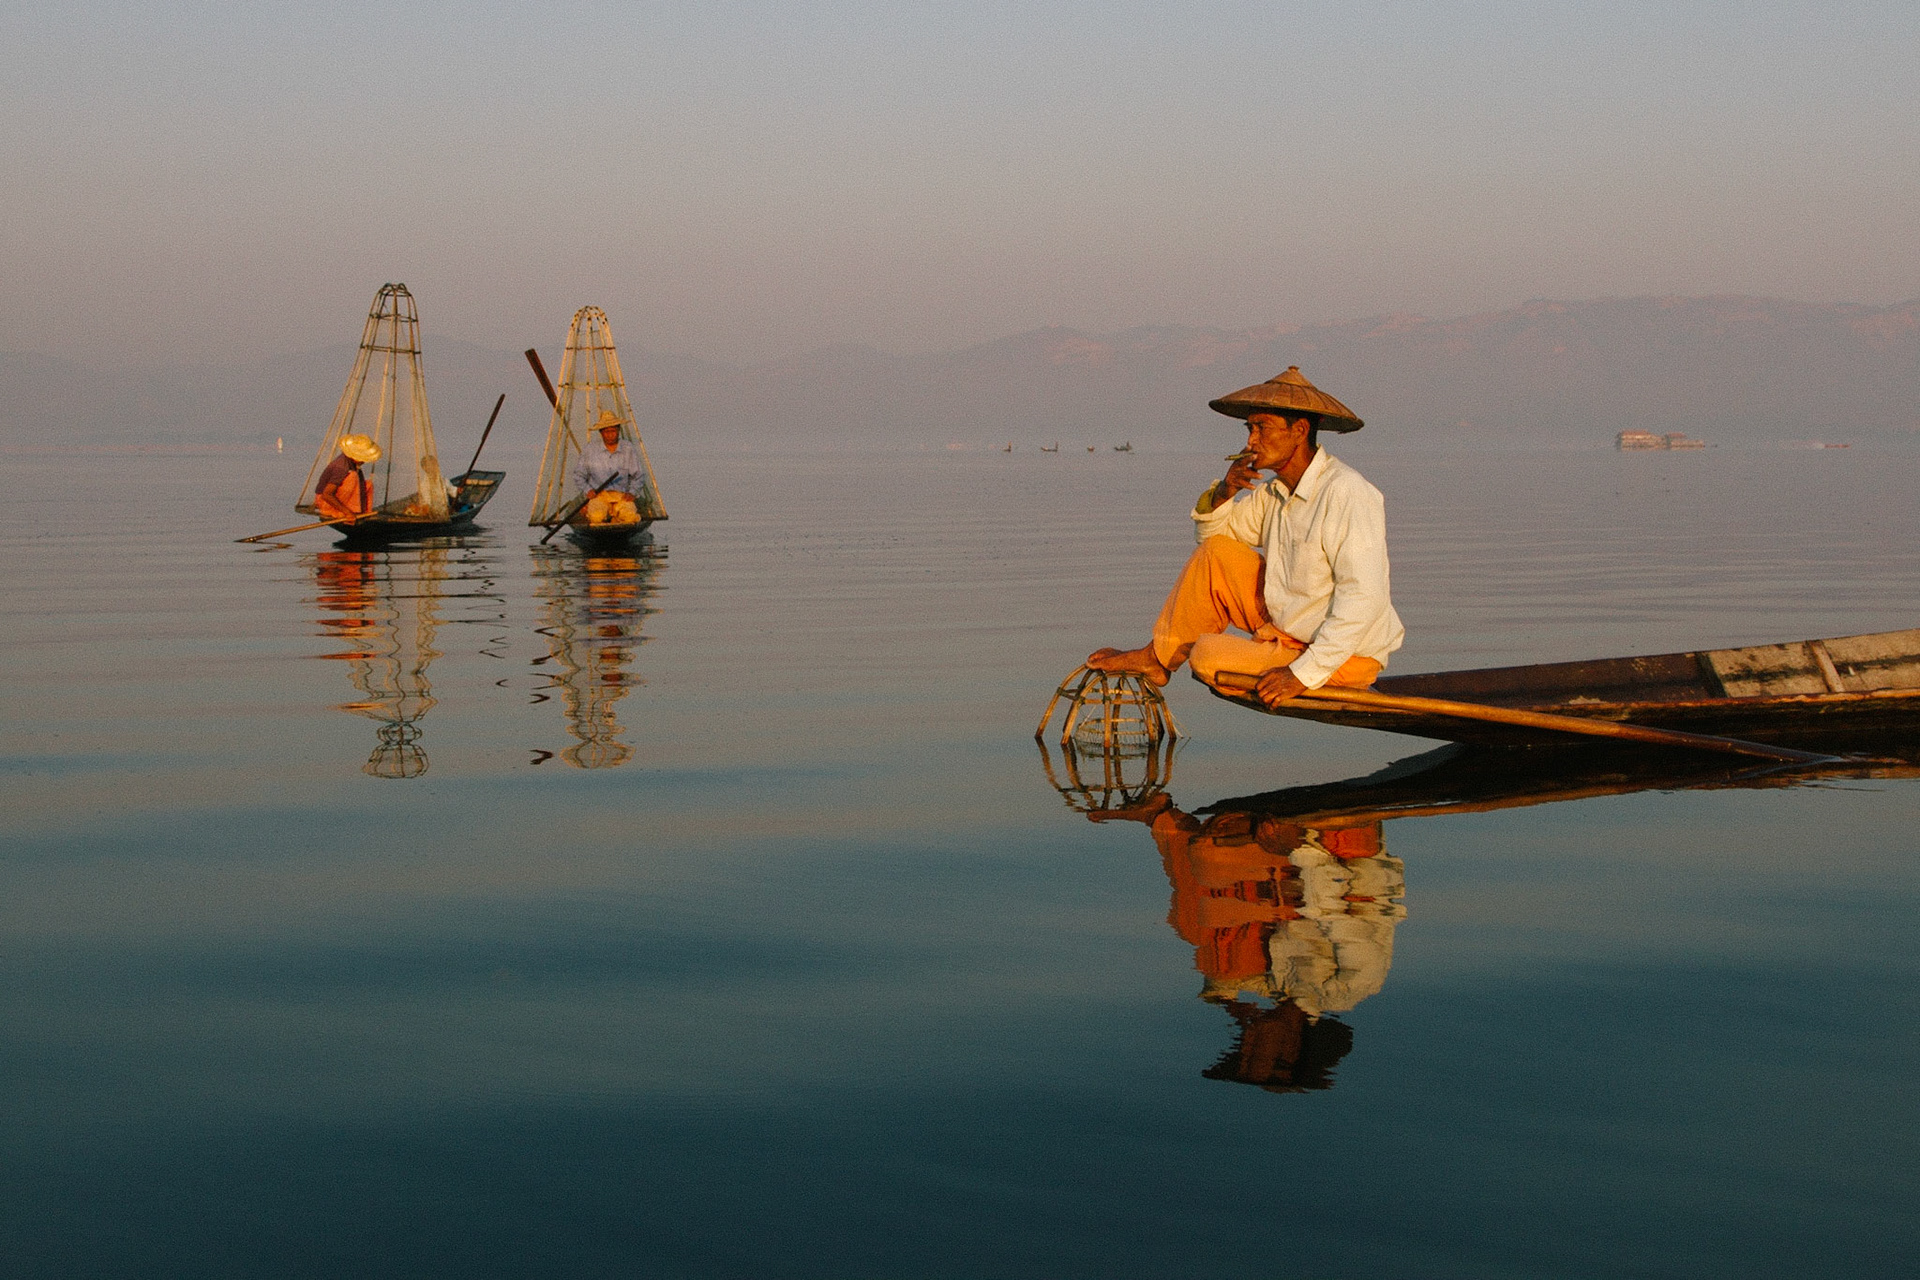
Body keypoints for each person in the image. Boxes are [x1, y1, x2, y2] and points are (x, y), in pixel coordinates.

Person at [1087, 367, 1404, 708]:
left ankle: (1289, 661)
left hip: (1345, 658)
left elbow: (1364, 598)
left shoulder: (1347, 492)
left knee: (1207, 656)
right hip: (1290, 631)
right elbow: (1212, 541)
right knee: (1216, 553)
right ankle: (1157, 657)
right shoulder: (1275, 492)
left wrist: (1301, 674)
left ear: (1299, 431)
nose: (1251, 441)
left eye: (1262, 428)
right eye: (1250, 429)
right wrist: (1225, 492)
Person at [571, 410, 645, 525]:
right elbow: (578, 475)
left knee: (630, 517)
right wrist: (588, 490)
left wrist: (632, 492)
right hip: (599, 496)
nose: (610, 435)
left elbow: (639, 475)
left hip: (622, 496)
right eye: (607, 432)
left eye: (613, 431)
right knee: (596, 517)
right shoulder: (590, 449)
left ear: (618, 430)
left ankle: (616, 517)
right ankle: (596, 514)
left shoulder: (628, 448)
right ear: (601, 433)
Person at [312, 433, 380, 522]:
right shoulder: (341, 467)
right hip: (326, 503)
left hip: (337, 499)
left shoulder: (351, 463)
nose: (364, 461)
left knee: (368, 484)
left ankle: (361, 512)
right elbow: (326, 495)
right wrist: (347, 512)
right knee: (352, 477)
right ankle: (342, 511)